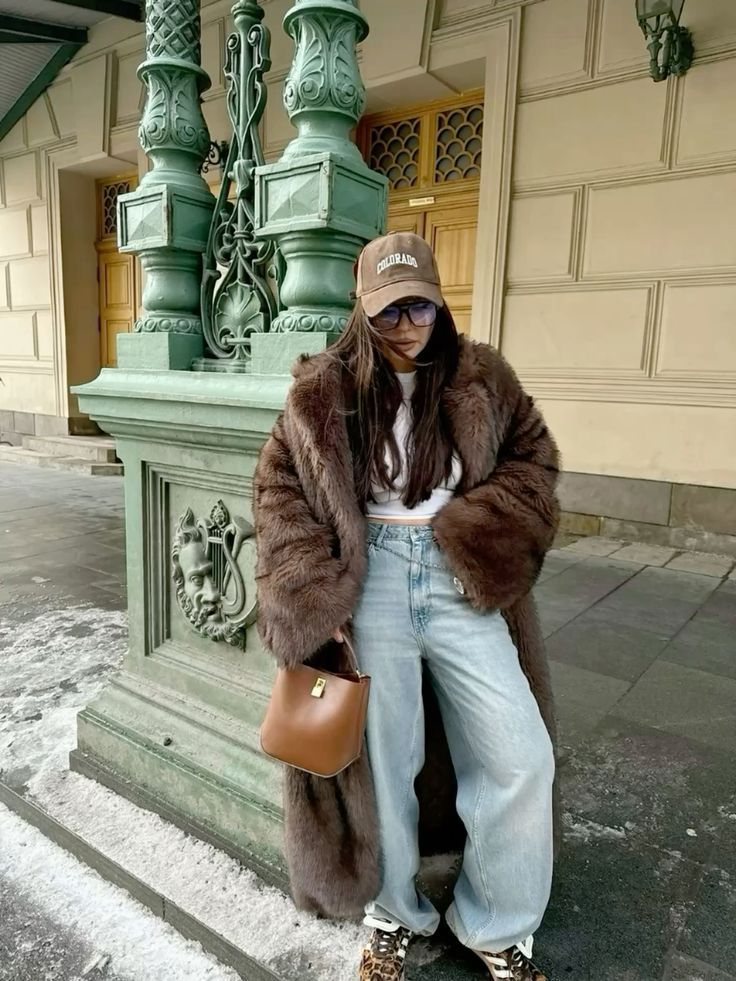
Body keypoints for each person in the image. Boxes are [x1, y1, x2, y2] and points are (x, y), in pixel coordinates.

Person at [253, 231, 561, 981]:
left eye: (419, 305)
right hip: (372, 579)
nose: (406, 325)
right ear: (363, 311)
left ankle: (496, 922)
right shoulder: (321, 391)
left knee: (520, 751)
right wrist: (311, 589)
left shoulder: (484, 378)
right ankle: (393, 912)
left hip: (459, 571)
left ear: (439, 301)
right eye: (388, 312)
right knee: (381, 764)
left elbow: (533, 464)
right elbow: (280, 493)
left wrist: (481, 537)